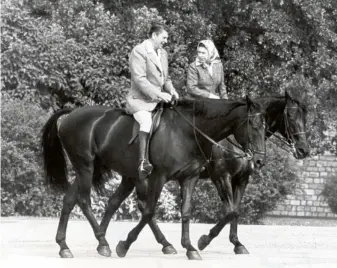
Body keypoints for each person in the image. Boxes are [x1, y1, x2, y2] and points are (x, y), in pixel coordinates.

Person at [126, 22, 179, 180]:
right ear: (154, 35)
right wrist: (160, 94)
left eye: (167, 38)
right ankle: (142, 162)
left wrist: (172, 90)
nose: (166, 41)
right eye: (164, 37)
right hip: (140, 100)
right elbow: (140, 80)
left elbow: (166, 78)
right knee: (146, 123)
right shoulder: (139, 51)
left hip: (158, 99)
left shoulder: (162, 53)